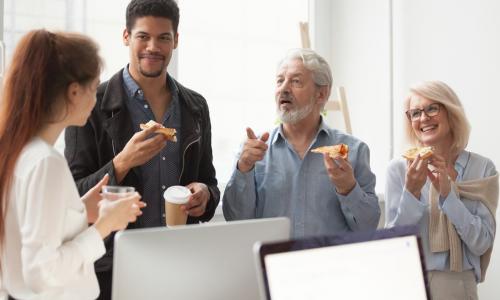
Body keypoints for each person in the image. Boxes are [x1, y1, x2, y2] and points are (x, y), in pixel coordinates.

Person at [64, 0, 220, 298]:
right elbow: (72, 201)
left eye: (164, 37)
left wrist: (205, 194)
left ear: (176, 40)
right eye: (143, 36)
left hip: (180, 265)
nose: (153, 46)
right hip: (112, 269)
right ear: (126, 37)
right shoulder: (90, 104)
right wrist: (122, 162)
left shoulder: (195, 107)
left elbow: (209, 182)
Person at [0, 30, 145, 300]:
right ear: (74, 92)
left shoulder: (19, 152)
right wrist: (104, 225)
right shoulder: (46, 163)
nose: (96, 100)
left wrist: (79, 212)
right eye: (94, 88)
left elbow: (30, 238)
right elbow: (41, 272)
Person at [222, 48, 380, 238]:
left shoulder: (353, 151)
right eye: (280, 81)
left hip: (332, 264)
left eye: (296, 81)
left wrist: (348, 189)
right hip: (273, 264)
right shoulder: (253, 152)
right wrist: (243, 168)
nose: (284, 88)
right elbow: (236, 222)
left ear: (321, 94)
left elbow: (368, 228)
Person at [385, 81, 498, 300]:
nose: (423, 118)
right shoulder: (398, 170)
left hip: (459, 284)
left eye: (432, 108)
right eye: (415, 113)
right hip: (409, 283)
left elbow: (482, 243)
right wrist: (412, 193)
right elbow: (393, 245)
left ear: (451, 112)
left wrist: (449, 196)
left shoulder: (483, 168)